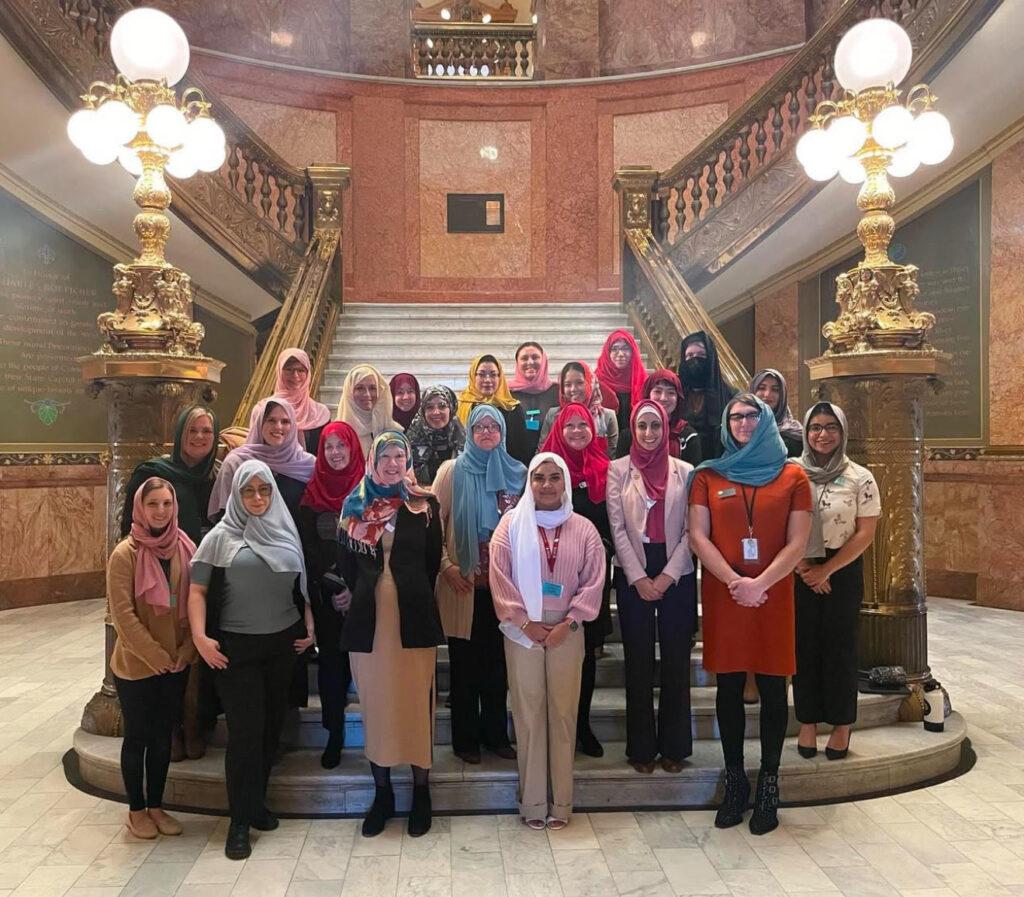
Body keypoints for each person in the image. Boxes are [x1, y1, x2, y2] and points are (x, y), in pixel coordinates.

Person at [688, 394, 811, 835]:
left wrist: (760, 584)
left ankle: (770, 783)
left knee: (775, 686)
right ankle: (736, 781)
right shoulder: (709, 475)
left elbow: (797, 543)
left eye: (751, 415)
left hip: (774, 594)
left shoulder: (794, 475)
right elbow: (698, 537)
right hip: (726, 594)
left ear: (766, 421)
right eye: (735, 416)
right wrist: (735, 582)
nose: (742, 422)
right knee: (729, 685)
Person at [188, 460, 315, 860]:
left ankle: (256, 804)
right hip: (236, 650)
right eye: (249, 491)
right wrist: (199, 638)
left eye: (264, 490)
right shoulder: (219, 538)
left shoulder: (284, 530)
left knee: (269, 732)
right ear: (236, 494)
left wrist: (310, 628)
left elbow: (302, 585)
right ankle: (238, 822)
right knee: (244, 734)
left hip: (282, 646)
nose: (257, 498)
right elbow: (197, 592)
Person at [490, 453, 605, 830]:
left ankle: (563, 803)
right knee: (528, 715)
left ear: (566, 483)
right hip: (521, 630)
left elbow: (593, 581)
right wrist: (524, 622)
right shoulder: (510, 526)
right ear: (530, 482)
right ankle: (534, 803)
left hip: (567, 631)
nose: (547, 485)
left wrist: (569, 623)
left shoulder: (584, 529)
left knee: (562, 714)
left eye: (555, 477)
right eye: (539, 477)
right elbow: (500, 577)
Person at [338, 432, 444, 838]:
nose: (394, 462)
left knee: (417, 705)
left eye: (400, 455)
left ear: (408, 460)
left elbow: (432, 560)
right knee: (378, 706)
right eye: (386, 455)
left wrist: (411, 591)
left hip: (413, 618)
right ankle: (382, 794)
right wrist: (364, 591)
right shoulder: (356, 505)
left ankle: (421, 792)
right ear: (374, 459)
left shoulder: (424, 505)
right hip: (369, 622)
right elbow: (345, 562)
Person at [120, 404, 220, 761]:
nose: (199, 438)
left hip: (202, 576)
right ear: (179, 435)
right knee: (165, 650)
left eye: (207, 431)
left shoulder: (216, 476)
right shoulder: (153, 473)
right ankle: (171, 729)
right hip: (157, 574)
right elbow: (127, 531)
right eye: (192, 430)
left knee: (194, 654)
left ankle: (195, 723)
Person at [606, 401, 697, 774]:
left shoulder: (686, 471)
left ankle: (675, 747)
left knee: (676, 661)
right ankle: (641, 749)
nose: (648, 434)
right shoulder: (617, 470)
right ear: (633, 428)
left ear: (665, 429)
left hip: (677, 570)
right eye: (642, 426)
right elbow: (617, 529)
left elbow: (694, 529)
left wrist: (667, 576)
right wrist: (640, 577)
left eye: (655, 427)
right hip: (634, 572)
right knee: (638, 662)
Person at [433, 405, 525, 764]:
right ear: (469, 432)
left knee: (498, 667)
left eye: (493, 427)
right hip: (463, 587)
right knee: (464, 667)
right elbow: (432, 527)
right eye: (480, 427)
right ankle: (466, 740)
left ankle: (496, 736)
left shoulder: (517, 474)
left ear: (502, 432)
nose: (487, 432)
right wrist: (447, 567)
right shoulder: (451, 472)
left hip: (504, 590)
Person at [108, 477, 195, 840]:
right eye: (153, 504)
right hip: (137, 665)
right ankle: (136, 810)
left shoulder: (185, 547)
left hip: (176, 662)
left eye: (167, 504)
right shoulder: (124, 554)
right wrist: (156, 655)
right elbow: (122, 615)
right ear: (139, 509)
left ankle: (156, 806)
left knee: (163, 737)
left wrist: (186, 651)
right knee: (138, 737)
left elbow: (195, 603)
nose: (161, 511)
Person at [794, 402, 880, 761]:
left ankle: (842, 725)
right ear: (806, 432)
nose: (823, 434)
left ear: (842, 432)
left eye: (831, 427)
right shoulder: (792, 472)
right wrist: (805, 567)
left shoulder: (860, 477)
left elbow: (865, 533)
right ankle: (808, 723)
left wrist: (826, 571)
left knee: (841, 648)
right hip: (799, 565)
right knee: (805, 648)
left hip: (842, 570)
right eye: (815, 427)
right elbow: (780, 521)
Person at [540, 403, 613, 758]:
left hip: (591, 580)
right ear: (558, 428)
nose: (576, 431)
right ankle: (550, 726)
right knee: (549, 652)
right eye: (569, 425)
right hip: (549, 576)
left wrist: (603, 548)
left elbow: (616, 522)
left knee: (585, 657)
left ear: (592, 427)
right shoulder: (546, 469)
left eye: (582, 425)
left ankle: (580, 724)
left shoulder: (605, 469)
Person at [296, 422, 366, 769]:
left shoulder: (372, 492)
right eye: (329, 447)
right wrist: (335, 588)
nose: (336, 453)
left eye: (342, 446)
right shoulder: (312, 496)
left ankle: (379, 736)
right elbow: (307, 549)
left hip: (366, 599)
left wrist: (355, 590)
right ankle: (335, 734)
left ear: (354, 449)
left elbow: (375, 548)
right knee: (332, 670)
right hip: (327, 600)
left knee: (369, 670)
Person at [209, 399, 315, 524]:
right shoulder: (236, 462)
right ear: (260, 424)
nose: (278, 427)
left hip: (294, 541)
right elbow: (225, 517)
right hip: (246, 540)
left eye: (285, 421)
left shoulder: (308, 464)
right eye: (271, 420)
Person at [457, 355, 531, 465]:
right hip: (469, 469)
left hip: (505, 473)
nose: (487, 380)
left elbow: (521, 450)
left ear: (500, 377)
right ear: (473, 376)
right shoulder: (461, 406)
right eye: (481, 374)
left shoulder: (512, 408)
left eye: (493, 375)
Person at [539, 361, 619, 459]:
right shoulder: (553, 415)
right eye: (568, 384)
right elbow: (542, 452)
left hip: (598, 472)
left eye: (580, 383)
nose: (573, 389)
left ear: (591, 383)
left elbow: (612, 457)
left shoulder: (606, 416)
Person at [678, 331, 738, 460]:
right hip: (682, 465)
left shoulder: (730, 395)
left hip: (718, 464)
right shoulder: (676, 393)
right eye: (689, 355)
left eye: (701, 355)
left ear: (710, 358)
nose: (695, 359)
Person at [595, 329, 647, 459]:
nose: (620, 354)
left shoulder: (643, 381)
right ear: (608, 352)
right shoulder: (596, 382)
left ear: (633, 351)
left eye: (625, 349)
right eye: (615, 349)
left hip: (637, 446)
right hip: (605, 449)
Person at [273, 348, 332, 454]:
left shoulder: (320, 413)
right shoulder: (265, 410)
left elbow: (326, 453)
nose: (295, 375)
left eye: (301, 370)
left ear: (308, 374)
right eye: (289, 370)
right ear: (279, 372)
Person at [406, 385, 465, 486]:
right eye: (429, 407)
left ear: (451, 408)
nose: (436, 412)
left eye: (442, 406)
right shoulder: (411, 441)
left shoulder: (462, 439)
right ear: (423, 411)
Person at [508, 341, 560, 455]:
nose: (530, 362)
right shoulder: (507, 393)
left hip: (551, 458)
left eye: (535, 357)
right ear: (517, 363)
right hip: (515, 460)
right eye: (524, 358)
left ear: (544, 361)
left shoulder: (558, 391)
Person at [337, 364, 402, 456]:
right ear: (349, 392)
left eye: (372, 388)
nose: (367, 394)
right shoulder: (337, 434)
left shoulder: (393, 432)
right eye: (359, 388)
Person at [643, 369, 702, 467]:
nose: (663, 398)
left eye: (671, 393)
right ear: (647, 395)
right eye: (657, 391)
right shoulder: (632, 434)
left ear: (678, 398)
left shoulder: (689, 436)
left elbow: (692, 477)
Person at [751, 368, 803, 457]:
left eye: (775, 390)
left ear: (782, 396)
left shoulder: (793, 434)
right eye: (761, 388)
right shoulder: (742, 427)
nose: (767, 394)